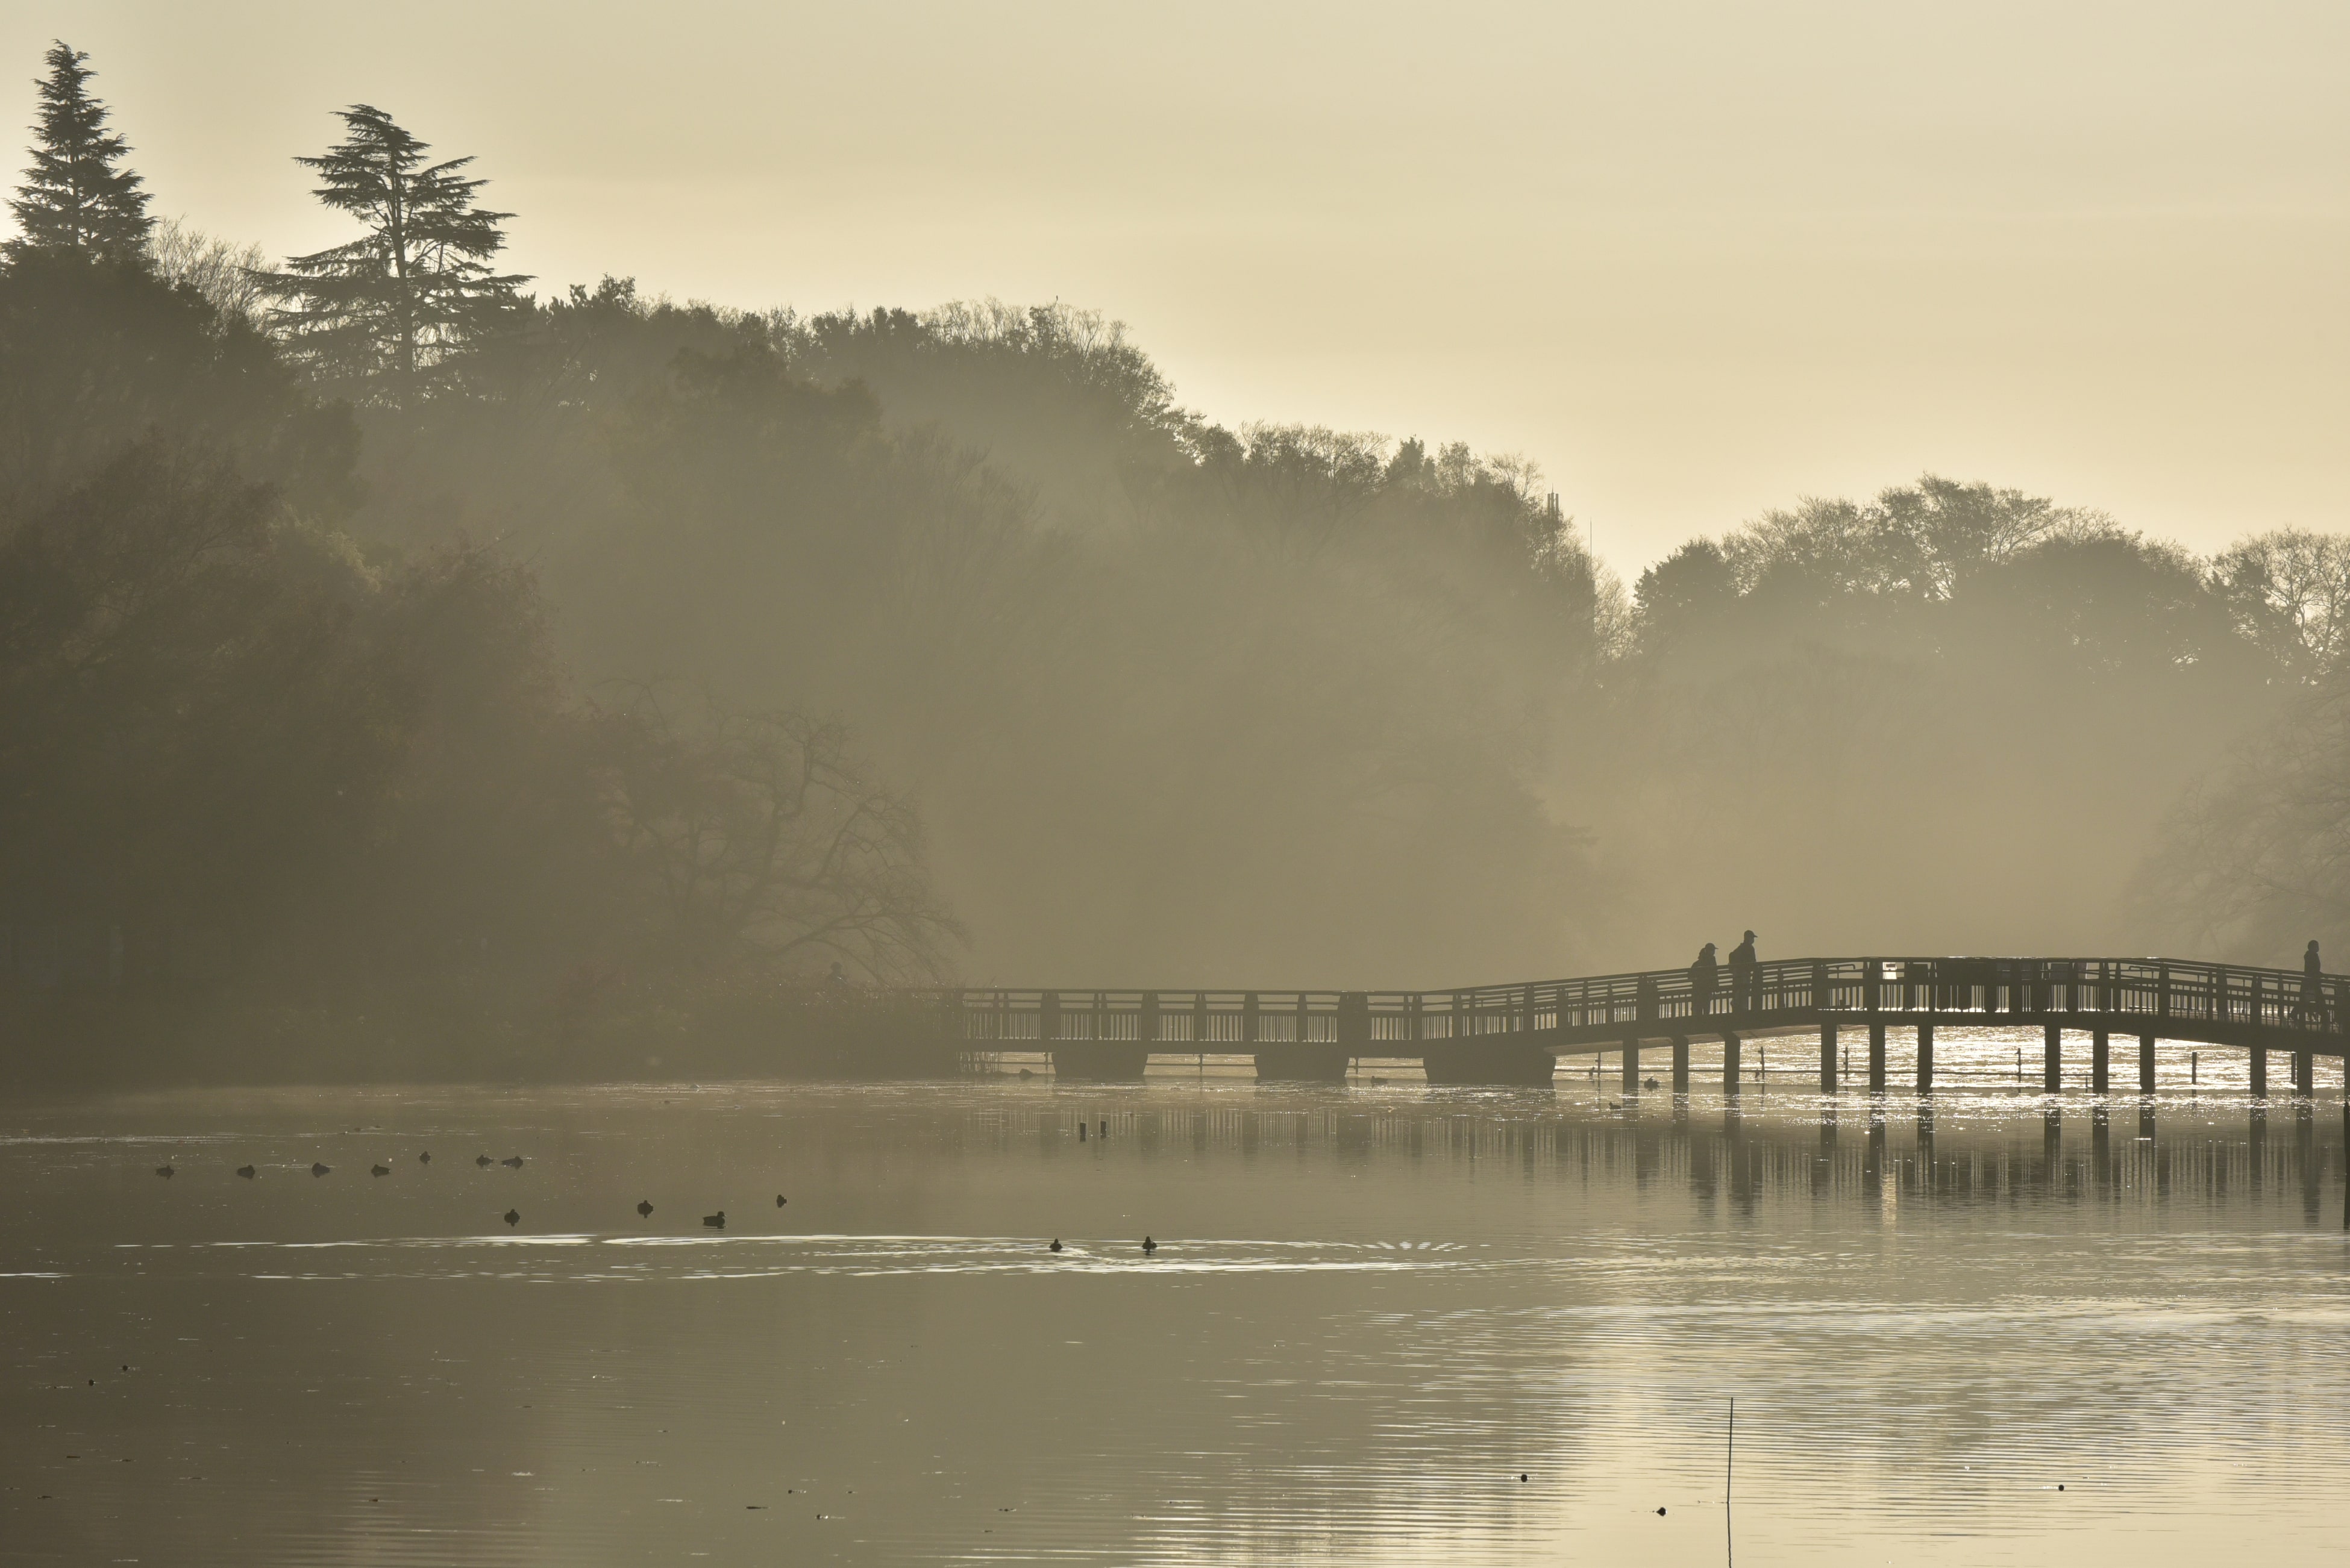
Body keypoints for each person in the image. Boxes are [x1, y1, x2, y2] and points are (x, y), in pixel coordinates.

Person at [1728, 930, 1758, 1013]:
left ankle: (1736, 1006)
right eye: (1752, 938)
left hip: (1737, 975)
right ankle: (1743, 1011)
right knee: (1744, 993)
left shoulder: (1739, 948)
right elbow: (1753, 962)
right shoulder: (1750, 949)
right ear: (1748, 938)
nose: (1753, 940)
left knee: (1738, 993)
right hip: (1745, 975)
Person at [2300, 940, 2325, 1029]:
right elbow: (2312, 970)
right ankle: (2324, 1016)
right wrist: (2320, 975)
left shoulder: (2310, 956)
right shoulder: (2312, 956)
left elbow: (2312, 969)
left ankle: (2324, 1016)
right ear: (2312, 947)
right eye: (2316, 946)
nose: (2318, 948)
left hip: (2311, 981)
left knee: (2306, 999)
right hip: (2312, 982)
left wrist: (2320, 974)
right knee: (2319, 999)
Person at [1690, 942, 1719, 1017]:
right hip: (1707, 988)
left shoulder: (1697, 964)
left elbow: (1690, 976)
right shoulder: (1712, 960)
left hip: (1697, 989)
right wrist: (1716, 986)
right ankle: (1706, 1022)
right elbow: (1715, 974)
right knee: (1706, 1007)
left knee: (1699, 1007)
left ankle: (1699, 1022)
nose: (1714, 952)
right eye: (1713, 950)